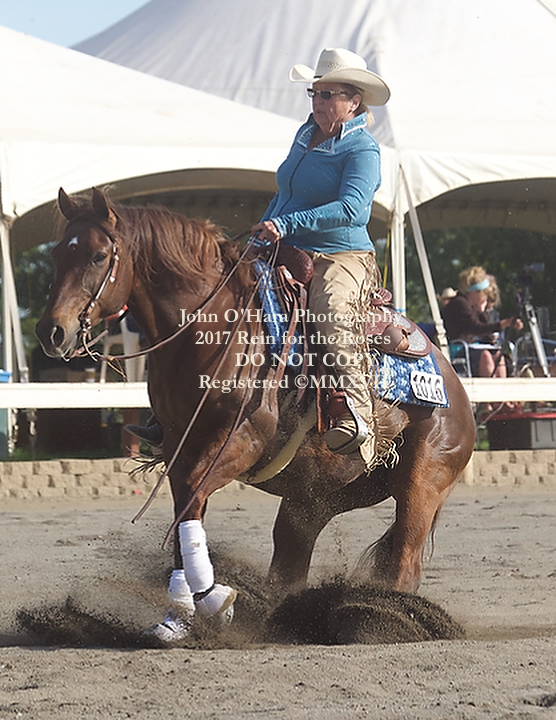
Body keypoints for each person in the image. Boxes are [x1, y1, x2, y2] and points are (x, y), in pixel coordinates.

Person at [250, 48, 390, 470]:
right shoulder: (304, 134)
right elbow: (285, 193)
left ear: (354, 101)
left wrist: (285, 224)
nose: (319, 101)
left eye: (330, 94)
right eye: (315, 93)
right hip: (286, 245)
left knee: (331, 310)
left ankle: (358, 417)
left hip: (341, 254)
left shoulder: (363, 149)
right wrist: (264, 228)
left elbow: (352, 209)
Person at [441, 266, 522, 377]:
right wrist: (503, 324)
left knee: (499, 356)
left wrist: (481, 310)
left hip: (473, 347)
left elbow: (485, 328)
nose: (485, 297)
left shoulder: (474, 306)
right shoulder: (460, 303)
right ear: (475, 292)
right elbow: (475, 327)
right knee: (485, 357)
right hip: (457, 348)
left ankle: (501, 386)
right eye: (484, 293)